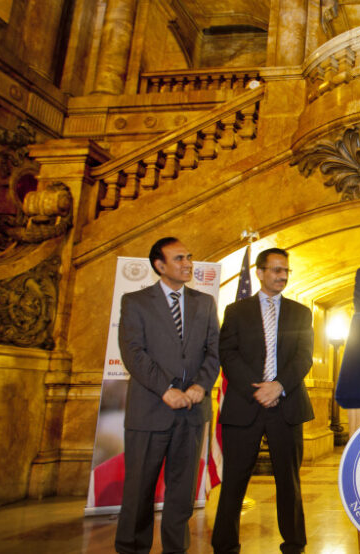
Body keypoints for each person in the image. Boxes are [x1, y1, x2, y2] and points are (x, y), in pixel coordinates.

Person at [115, 237, 220, 554]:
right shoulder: (135, 302)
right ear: (159, 266)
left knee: (182, 493)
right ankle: (132, 548)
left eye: (189, 257)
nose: (188, 263)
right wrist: (166, 390)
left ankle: (176, 549)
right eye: (179, 259)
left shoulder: (204, 303)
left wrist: (200, 385)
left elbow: (213, 351)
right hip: (150, 411)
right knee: (138, 491)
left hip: (191, 412)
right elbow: (133, 353)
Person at [212, 248, 314, 554]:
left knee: (289, 481)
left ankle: (294, 545)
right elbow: (227, 354)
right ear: (259, 272)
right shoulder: (236, 311)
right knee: (234, 481)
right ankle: (225, 545)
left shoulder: (300, 312)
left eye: (286, 271)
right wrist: (257, 389)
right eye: (276, 270)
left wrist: (279, 385)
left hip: (287, 406)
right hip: (245, 405)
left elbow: (303, 356)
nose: (282, 276)